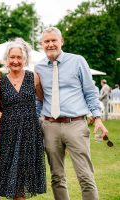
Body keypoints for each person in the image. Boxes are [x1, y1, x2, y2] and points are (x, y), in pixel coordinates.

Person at [35, 26, 108, 200]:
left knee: (85, 176)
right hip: (49, 126)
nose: (51, 44)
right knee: (56, 177)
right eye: (47, 41)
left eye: (54, 40)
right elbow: (39, 99)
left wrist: (97, 118)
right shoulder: (38, 68)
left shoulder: (78, 61)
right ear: (41, 44)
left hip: (75, 124)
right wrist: (35, 122)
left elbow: (90, 92)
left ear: (62, 41)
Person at [0, 38, 46, 199]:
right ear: (6, 59)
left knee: (23, 176)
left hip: (29, 131)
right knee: (8, 172)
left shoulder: (34, 77)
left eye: (19, 57)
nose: (15, 61)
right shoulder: (0, 80)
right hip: (8, 132)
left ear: (25, 59)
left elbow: (44, 99)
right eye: (12, 57)